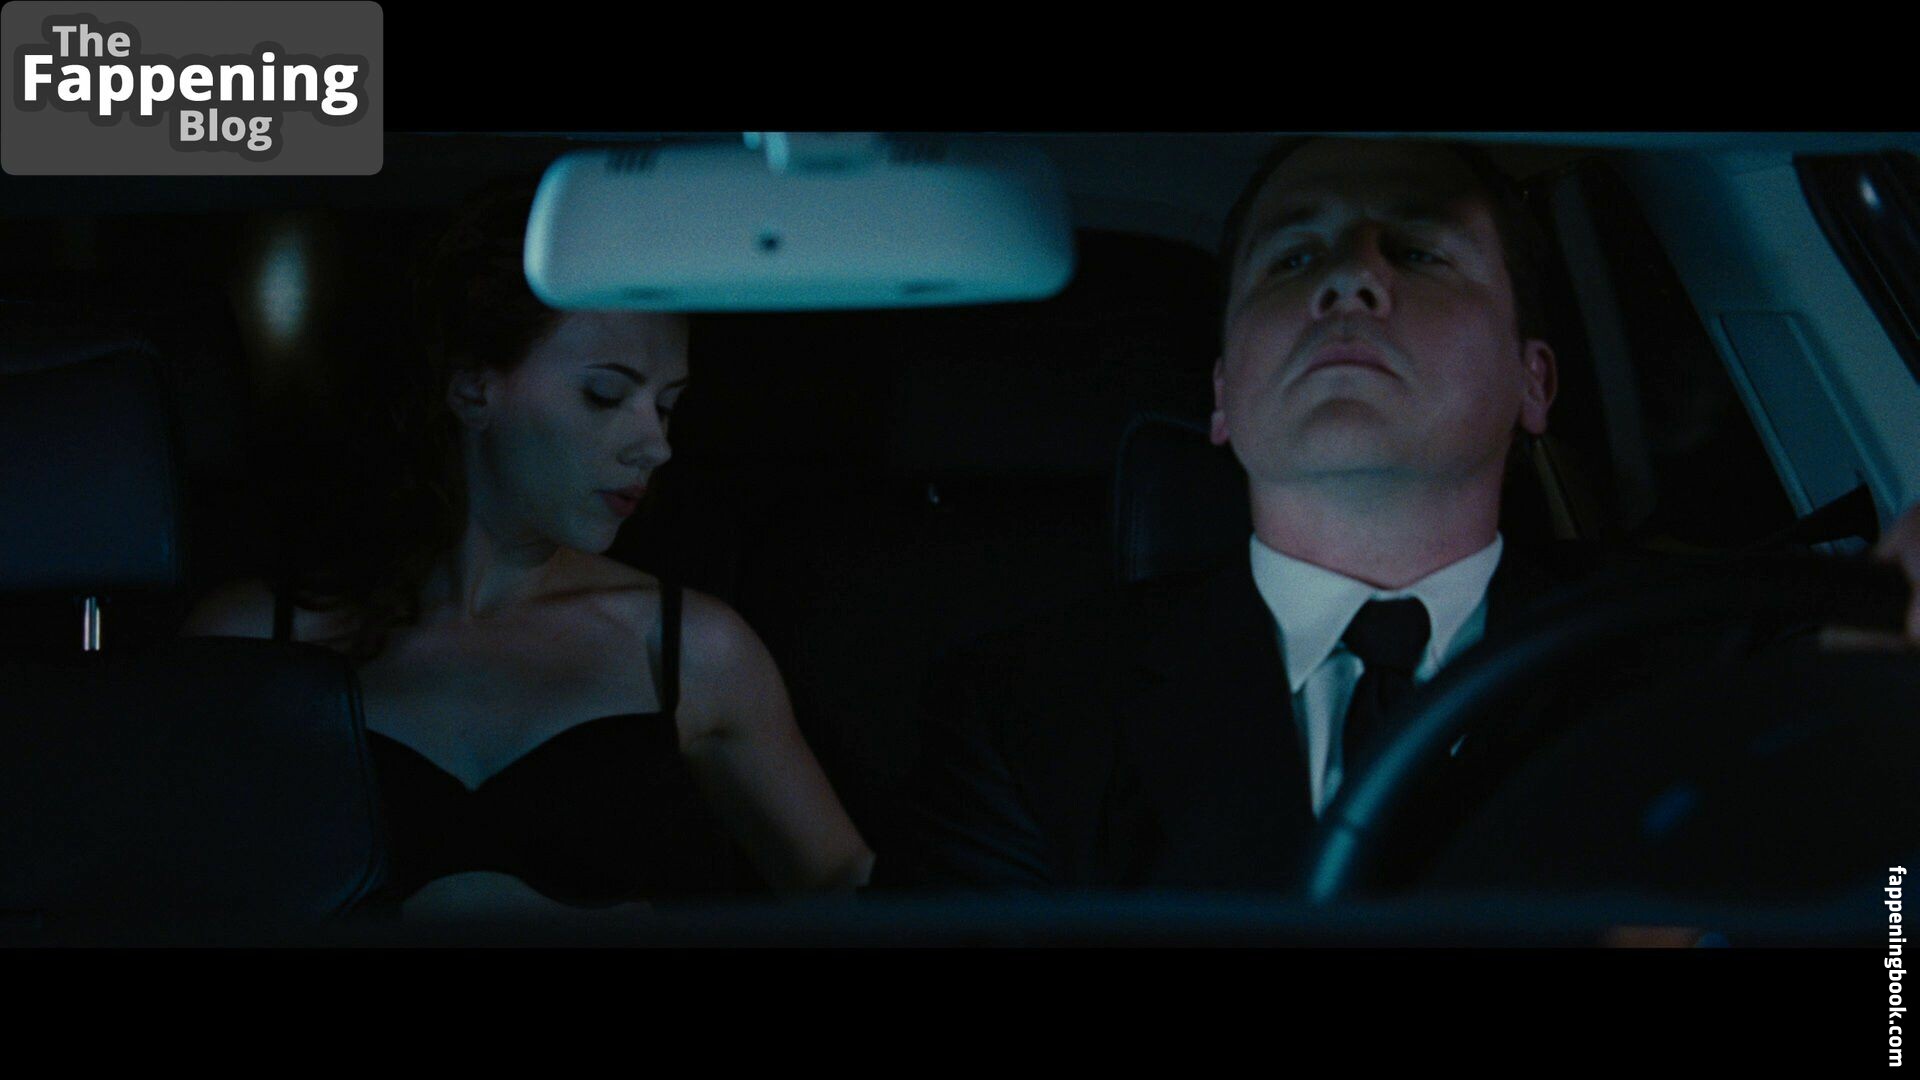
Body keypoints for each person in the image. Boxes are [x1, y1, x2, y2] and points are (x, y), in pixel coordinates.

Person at [882, 136, 1920, 892]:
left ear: (1534, 382)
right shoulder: (1026, 709)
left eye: (1419, 252)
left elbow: (1891, 1003)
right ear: (1223, 396)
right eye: (1294, 258)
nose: (1350, 279)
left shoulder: (1727, 657)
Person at [183, 186, 874, 917]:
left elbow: (850, 891)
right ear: (474, 389)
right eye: (605, 395)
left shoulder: (691, 649)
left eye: (667, 405)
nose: (656, 446)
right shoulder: (250, 642)